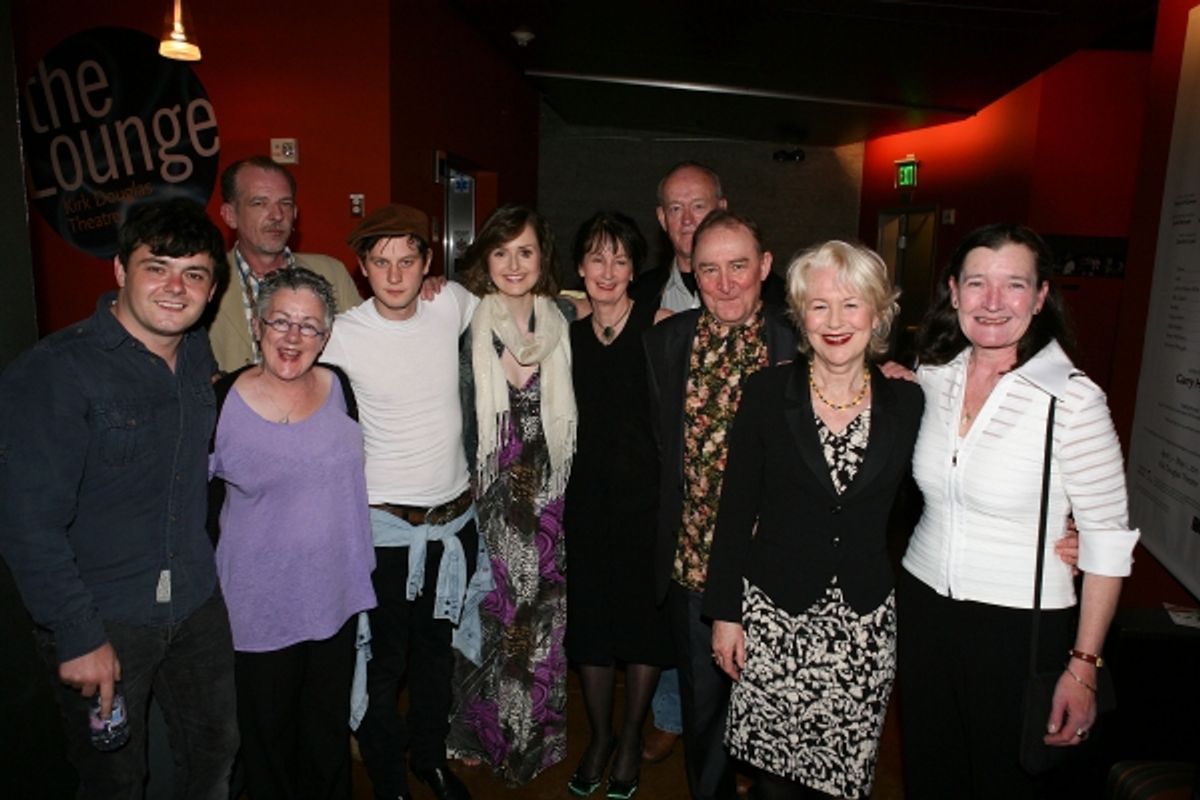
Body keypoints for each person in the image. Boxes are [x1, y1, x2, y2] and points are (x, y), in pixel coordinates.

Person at [0, 198, 238, 797]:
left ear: (211, 291)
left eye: (195, 273)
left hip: (195, 601)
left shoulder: (195, 358)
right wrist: (78, 634)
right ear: (119, 271)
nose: (175, 287)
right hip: (106, 615)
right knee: (114, 781)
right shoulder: (55, 372)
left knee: (215, 752)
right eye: (156, 266)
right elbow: (26, 524)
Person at [897, 223, 1139, 797]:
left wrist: (1083, 666)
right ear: (953, 292)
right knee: (931, 775)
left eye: (1013, 285)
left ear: (1040, 297)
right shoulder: (932, 378)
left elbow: (1107, 541)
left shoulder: (1074, 400)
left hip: (1020, 627)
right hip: (923, 609)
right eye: (977, 283)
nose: (993, 302)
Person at [704, 241, 923, 799]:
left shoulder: (909, 402)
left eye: (851, 305)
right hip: (775, 617)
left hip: (862, 625)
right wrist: (725, 615)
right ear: (800, 315)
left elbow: (957, 482)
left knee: (843, 781)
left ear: (878, 315)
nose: (835, 321)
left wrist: (1059, 535)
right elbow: (734, 513)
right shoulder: (766, 392)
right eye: (819, 305)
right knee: (774, 783)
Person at [322, 204, 479, 800]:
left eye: (407, 260)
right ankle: (388, 775)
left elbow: (519, 303)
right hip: (383, 528)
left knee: (435, 656)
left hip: (453, 524)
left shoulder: (450, 304)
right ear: (362, 268)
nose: (395, 274)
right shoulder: (342, 333)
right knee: (384, 664)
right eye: (381, 262)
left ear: (427, 263)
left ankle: (430, 758)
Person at [643, 209, 796, 800]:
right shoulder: (664, 343)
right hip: (695, 568)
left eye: (739, 266)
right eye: (710, 269)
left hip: (780, 570)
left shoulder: (804, 338)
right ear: (692, 270)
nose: (726, 283)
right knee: (703, 718)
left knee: (775, 724)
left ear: (764, 266)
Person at [446, 204, 577, 786]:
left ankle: (533, 736)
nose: (514, 264)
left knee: (542, 616)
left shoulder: (564, 318)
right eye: (501, 252)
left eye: (525, 251)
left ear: (542, 256)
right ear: (486, 260)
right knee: (491, 613)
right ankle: (479, 730)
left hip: (550, 494)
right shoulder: (465, 322)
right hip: (492, 492)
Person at [564, 212, 673, 799]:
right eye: (597, 259)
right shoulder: (566, 337)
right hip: (583, 502)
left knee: (642, 627)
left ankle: (631, 737)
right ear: (580, 268)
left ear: (635, 269)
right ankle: (600, 735)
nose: (608, 271)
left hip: (647, 504)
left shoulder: (661, 329)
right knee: (592, 627)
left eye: (621, 259)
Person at [209, 155, 363, 373]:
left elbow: (370, 341)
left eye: (285, 203)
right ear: (230, 215)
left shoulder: (331, 272)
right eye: (259, 203)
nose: (277, 215)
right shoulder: (205, 277)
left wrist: (423, 296)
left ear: (295, 214)